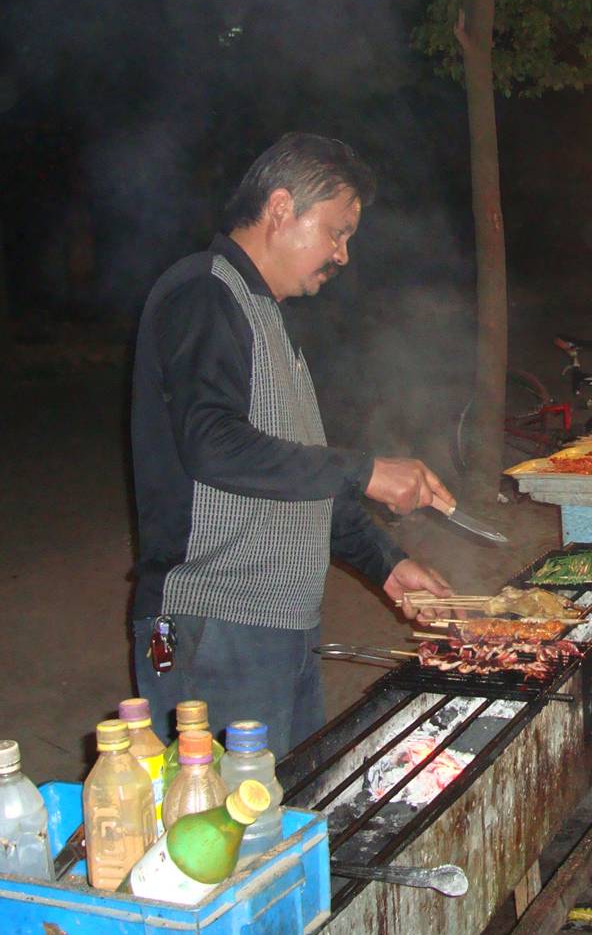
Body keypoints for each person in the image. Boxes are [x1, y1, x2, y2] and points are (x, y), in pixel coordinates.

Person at [129, 133, 456, 756]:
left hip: (277, 626)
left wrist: (389, 568)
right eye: (336, 231)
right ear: (281, 207)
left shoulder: (266, 318)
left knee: (285, 817)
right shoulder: (204, 292)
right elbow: (211, 444)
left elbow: (302, 481)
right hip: (215, 623)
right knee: (230, 835)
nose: (343, 254)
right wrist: (366, 471)